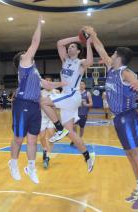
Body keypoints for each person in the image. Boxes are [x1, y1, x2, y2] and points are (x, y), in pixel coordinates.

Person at [84, 26, 138, 210]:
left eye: (114, 53)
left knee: (136, 154)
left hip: (128, 117)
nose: (111, 55)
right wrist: (93, 34)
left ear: (119, 57)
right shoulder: (111, 69)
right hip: (118, 119)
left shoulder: (124, 72)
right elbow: (100, 49)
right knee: (130, 155)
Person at [9, 15, 65, 184]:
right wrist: (39, 23)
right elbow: (35, 42)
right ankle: (13, 164)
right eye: (25, 54)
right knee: (19, 139)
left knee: (33, 140)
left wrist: (63, 83)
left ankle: (31, 168)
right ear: (22, 59)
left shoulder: (34, 70)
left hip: (34, 106)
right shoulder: (24, 64)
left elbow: (47, 85)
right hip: (22, 104)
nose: (28, 54)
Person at [40, 31, 95, 173]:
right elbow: (59, 43)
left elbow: (90, 62)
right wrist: (78, 38)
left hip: (72, 95)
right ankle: (88, 157)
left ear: (78, 51)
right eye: (69, 47)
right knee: (70, 132)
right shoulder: (65, 61)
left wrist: (87, 43)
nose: (69, 48)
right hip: (67, 97)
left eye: (73, 47)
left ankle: (59, 129)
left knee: (44, 102)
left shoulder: (80, 62)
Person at [39, 76, 60, 168]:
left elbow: (59, 105)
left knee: (51, 135)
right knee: (42, 136)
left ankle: (47, 156)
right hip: (42, 117)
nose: (47, 82)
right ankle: (44, 149)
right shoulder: (39, 93)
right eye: (46, 80)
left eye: (49, 80)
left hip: (52, 117)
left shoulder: (56, 92)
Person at [71, 81, 93, 145]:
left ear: (85, 85)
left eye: (82, 84)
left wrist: (86, 105)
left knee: (81, 127)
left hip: (83, 113)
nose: (81, 85)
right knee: (74, 126)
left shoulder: (87, 93)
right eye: (80, 84)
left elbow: (91, 104)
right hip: (75, 113)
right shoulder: (75, 93)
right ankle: (75, 139)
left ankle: (79, 139)